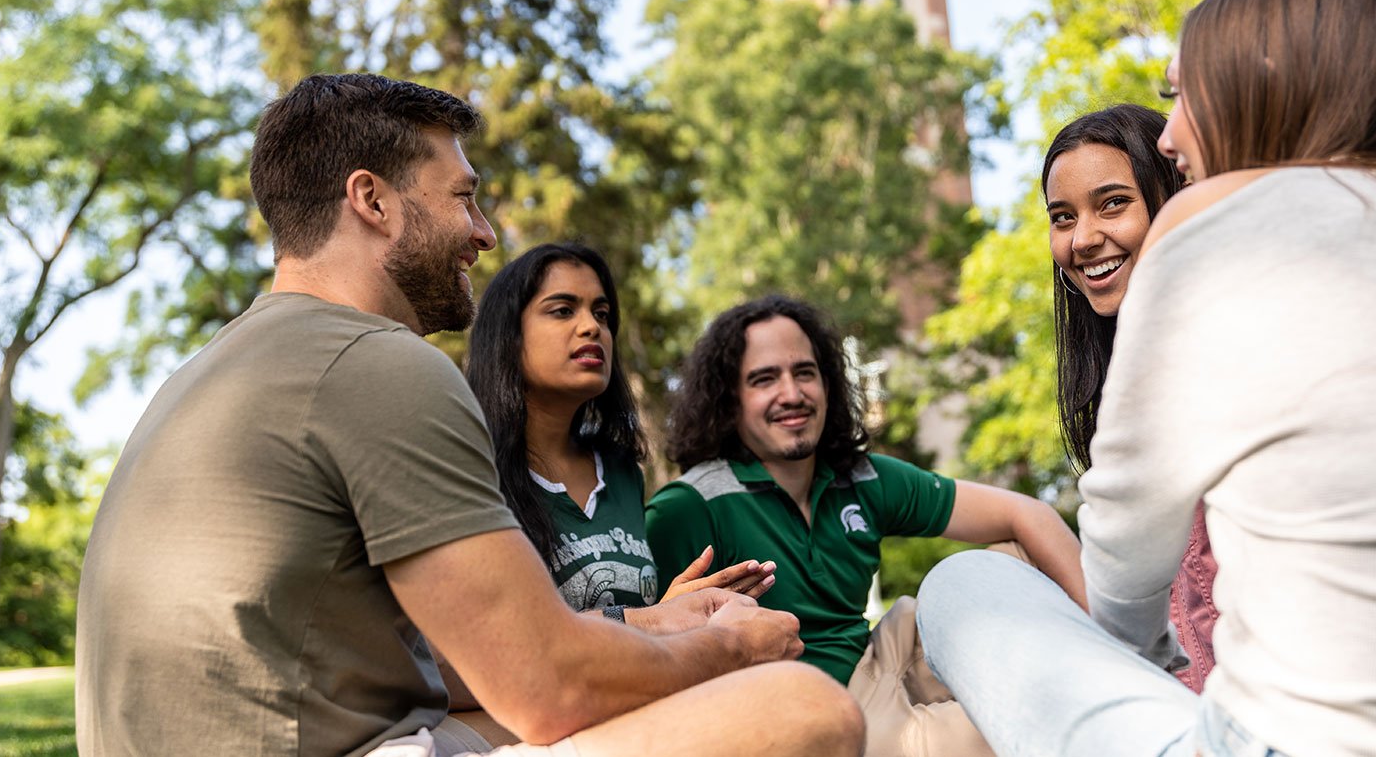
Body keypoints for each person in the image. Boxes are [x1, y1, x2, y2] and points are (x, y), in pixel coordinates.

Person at [76, 74, 862, 757]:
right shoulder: (377, 362)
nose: (483, 234)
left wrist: (656, 629)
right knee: (804, 709)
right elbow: (546, 689)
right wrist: (726, 647)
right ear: (371, 200)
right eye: (463, 197)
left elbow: (452, 661)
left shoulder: (217, 371)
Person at [917, 0, 1376, 756]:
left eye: (1179, 95)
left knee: (963, 584)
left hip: (1283, 737)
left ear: (1261, 82)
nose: (1172, 135)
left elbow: (1122, 590)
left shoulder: (1209, 229)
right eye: (1062, 216)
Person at [646, 294, 1085, 756]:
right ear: (729, 401)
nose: (792, 394)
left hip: (880, 657)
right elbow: (648, 654)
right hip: (813, 714)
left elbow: (1027, 513)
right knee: (1015, 729)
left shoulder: (860, 476)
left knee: (1020, 561)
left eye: (804, 372)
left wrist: (1117, 634)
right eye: (764, 379)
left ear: (828, 383)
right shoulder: (688, 507)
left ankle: (1116, 668)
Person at [465, 242, 773, 618]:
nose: (591, 326)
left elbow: (639, 628)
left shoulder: (620, 470)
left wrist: (674, 608)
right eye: (563, 311)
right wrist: (653, 621)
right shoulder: (471, 467)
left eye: (602, 313)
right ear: (507, 336)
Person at [1044, 104, 1216, 692]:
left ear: (1173, 199)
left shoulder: (1211, 347)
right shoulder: (1122, 367)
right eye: (1062, 218)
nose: (1084, 239)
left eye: (1113, 202)